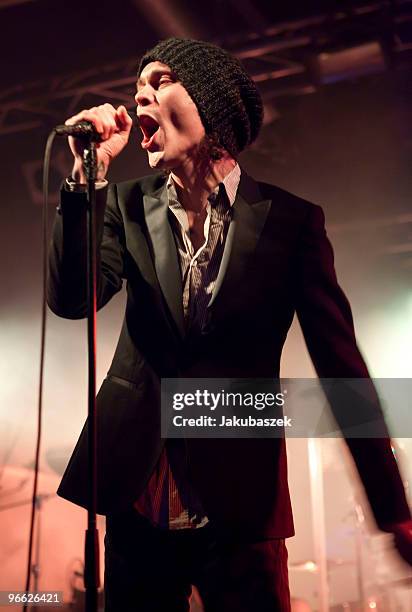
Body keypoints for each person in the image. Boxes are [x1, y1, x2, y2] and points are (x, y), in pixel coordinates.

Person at [47, 38, 412, 612]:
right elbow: (72, 301)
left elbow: (342, 365)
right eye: (137, 86)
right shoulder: (121, 204)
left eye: (160, 81)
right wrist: (86, 178)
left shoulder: (292, 223)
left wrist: (392, 507)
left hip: (241, 506)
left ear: (211, 107)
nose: (140, 94)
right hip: (138, 496)